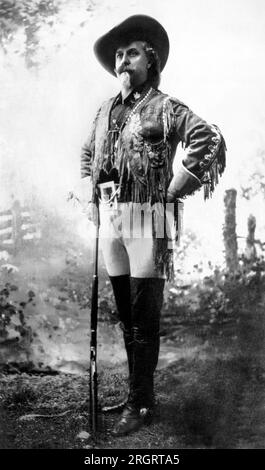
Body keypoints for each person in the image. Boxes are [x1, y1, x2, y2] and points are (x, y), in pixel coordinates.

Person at [80, 15, 226, 436]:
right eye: (119, 55)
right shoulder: (104, 110)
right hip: (113, 221)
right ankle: (136, 394)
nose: (123, 60)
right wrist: (92, 191)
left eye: (132, 53)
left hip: (150, 219)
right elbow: (88, 155)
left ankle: (142, 405)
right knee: (127, 317)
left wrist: (176, 187)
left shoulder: (167, 107)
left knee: (145, 319)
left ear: (151, 59)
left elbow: (208, 138)